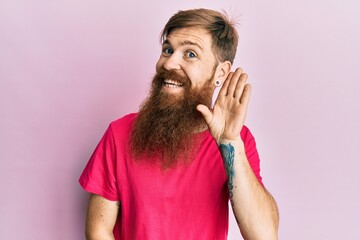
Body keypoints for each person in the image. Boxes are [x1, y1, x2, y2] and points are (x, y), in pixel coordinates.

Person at [79, 8, 279, 240]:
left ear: (220, 72)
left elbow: (263, 235)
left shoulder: (238, 141)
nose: (169, 63)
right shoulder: (119, 133)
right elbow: (98, 231)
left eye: (190, 54)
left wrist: (229, 143)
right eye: (168, 50)